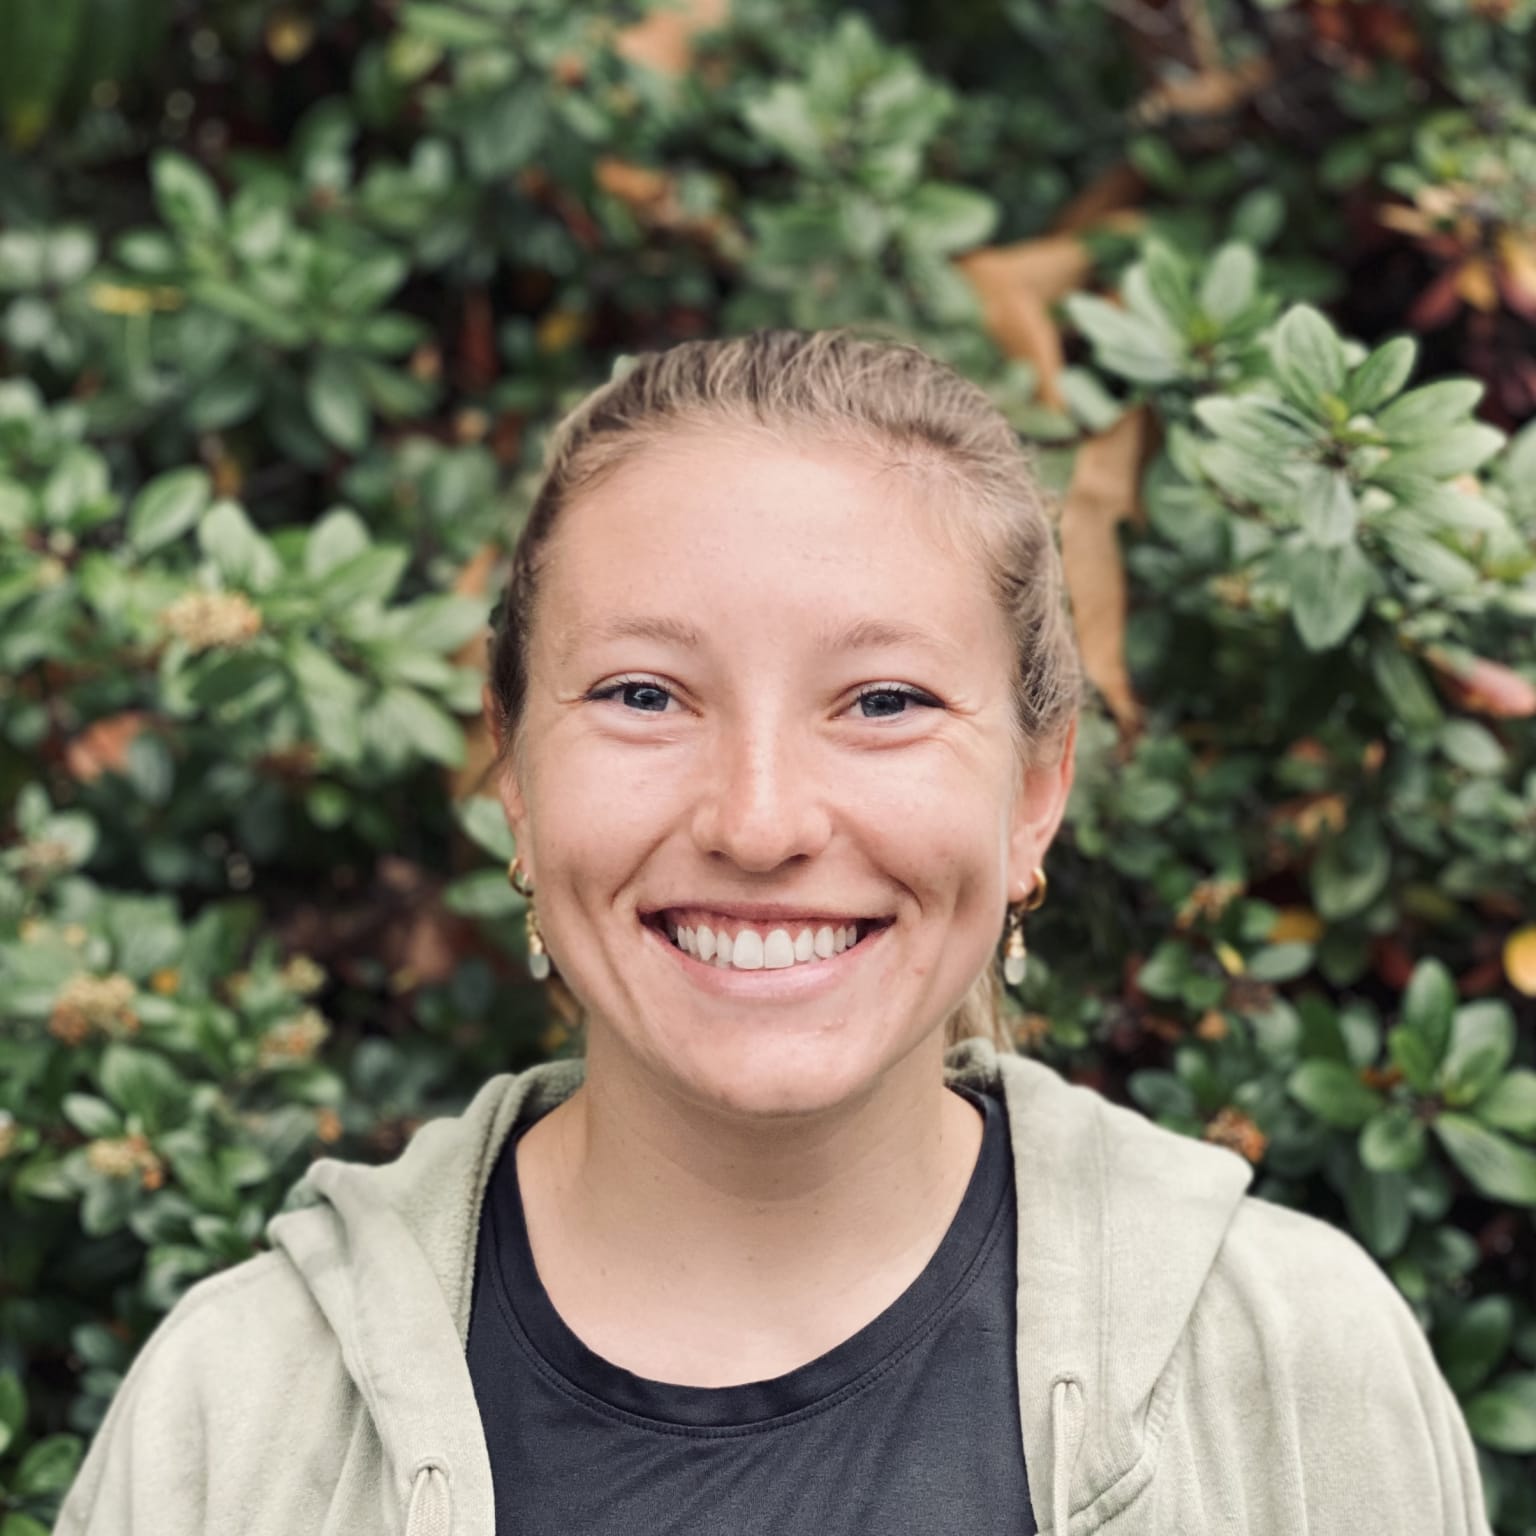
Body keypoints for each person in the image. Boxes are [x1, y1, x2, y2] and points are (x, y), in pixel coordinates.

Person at [54, 328, 1491, 1536]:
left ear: (1036, 794)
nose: (757, 822)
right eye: (643, 695)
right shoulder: (232, 1419)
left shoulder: (1293, 1366)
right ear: (514, 776)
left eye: (884, 702)